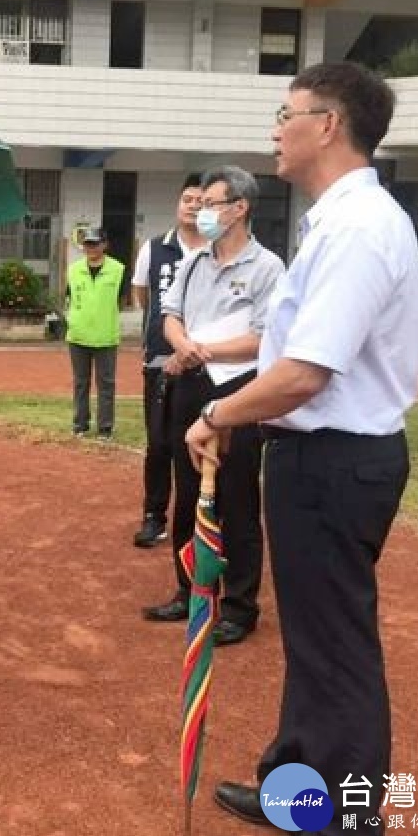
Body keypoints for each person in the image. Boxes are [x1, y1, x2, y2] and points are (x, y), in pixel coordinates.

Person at [184, 62, 418, 836]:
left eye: (284, 115)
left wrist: (217, 412)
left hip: (336, 459)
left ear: (327, 124)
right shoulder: (335, 222)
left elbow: (304, 372)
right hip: (315, 457)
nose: (274, 132)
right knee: (314, 642)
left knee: (336, 649)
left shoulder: (359, 228)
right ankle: (297, 792)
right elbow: (293, 354)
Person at [142, 167, 283, 647]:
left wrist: (203, 349)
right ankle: (191, 589)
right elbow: (170, 317)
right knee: (189, 493)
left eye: (211, 204)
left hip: (239, 391)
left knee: (237, 496)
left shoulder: (267, 268)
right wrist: (183, 344)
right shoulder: (194, 261)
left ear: (239, 208)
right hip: (190, 384)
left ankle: (240, 607)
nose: (201, 213)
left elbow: (266, 338)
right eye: (198, 204)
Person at [130, 174, 204, 548]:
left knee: (194, 445)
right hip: (160, 360)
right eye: (187, 199)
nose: (193, 205)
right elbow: (143, 295)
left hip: (206, 362)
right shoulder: (155, 248)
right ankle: (154, 516)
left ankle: (197, 524)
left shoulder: (216, 249)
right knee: (158, 443)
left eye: (200, 200)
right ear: (177, 205)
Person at [64, 228, 124, 440]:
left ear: (104, 245)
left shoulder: (118, 270)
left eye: (95, 243)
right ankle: (80, 424)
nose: (90, 248)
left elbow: (122, 299)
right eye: (87, 244)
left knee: (106, 383)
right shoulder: (73, 270)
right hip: (78, 336)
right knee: (81, 382)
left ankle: (105, 427)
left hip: (105, 336)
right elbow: (70, 298)